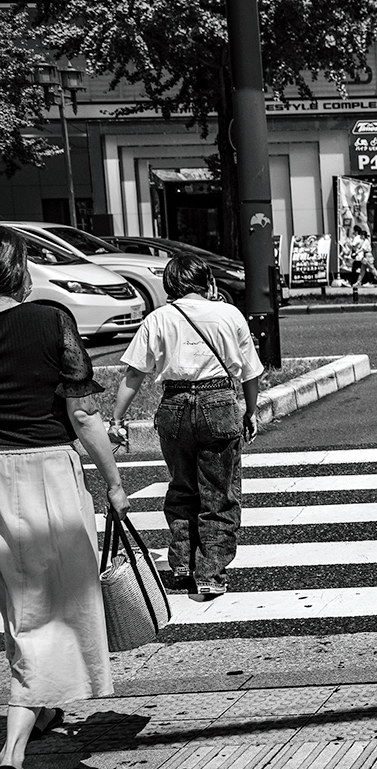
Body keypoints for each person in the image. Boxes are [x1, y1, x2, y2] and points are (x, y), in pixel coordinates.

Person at [0, 226, 127, 769]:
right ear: (18, 269)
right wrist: (115, 481)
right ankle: (12, 754)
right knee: (48, 611)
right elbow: (81, 415)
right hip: (46, 473)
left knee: (21, 607)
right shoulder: (50, 320)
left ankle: (42, 707)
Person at [110, 255, 264, 598]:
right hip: (219, 402)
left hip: (174, 405)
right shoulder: (229, 314)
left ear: (170, 286)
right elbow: (251, 372)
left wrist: (117, 418)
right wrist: (250, 411)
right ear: (206, 281)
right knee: (219, 493)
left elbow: (135, 373)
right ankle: (209, 572)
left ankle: (181, 563)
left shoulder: (158, 319)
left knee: (181, 486)